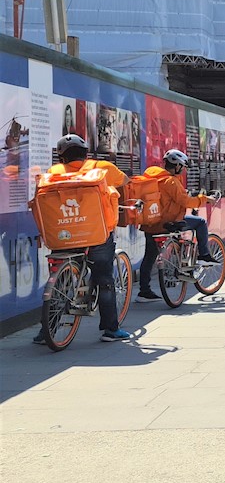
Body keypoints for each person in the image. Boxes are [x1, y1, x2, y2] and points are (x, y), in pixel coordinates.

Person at [36, 134, 131, 343]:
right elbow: (125, 180)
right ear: (86, 152)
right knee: (104, 279)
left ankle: (46, 332)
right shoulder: (101, 167)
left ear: (62, 157)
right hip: (96, 235)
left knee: (61, 281)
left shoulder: (54, 172)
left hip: (64, 236)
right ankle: (111, 329)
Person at [135, 149, 215, 301]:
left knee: (149, 256)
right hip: (169, 222)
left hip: (151, 223)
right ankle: (204, 255)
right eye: (182, 167)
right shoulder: (170, 181)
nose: (183, 170)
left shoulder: (151, 178)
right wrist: (204, 199)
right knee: (200, 222)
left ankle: (144, 292)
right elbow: (185, 201)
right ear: (177, 166)